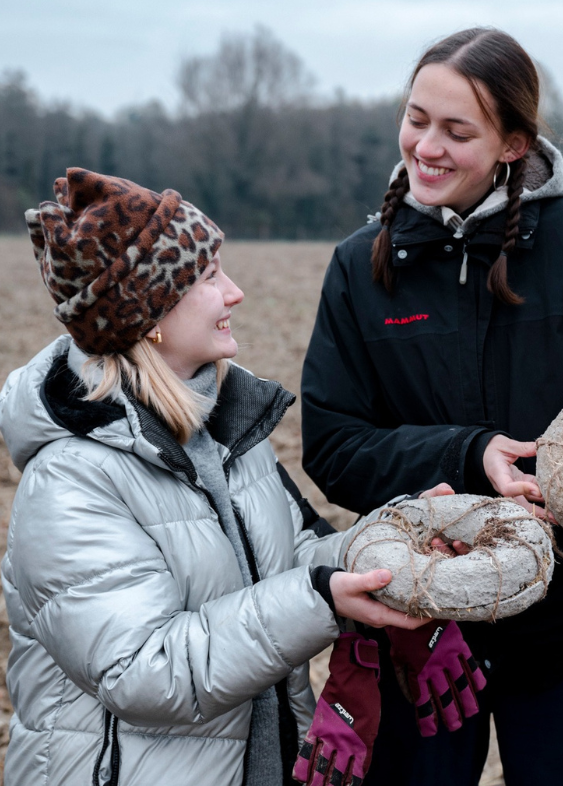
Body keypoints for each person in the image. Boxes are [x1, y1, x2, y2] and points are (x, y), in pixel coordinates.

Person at [301, 28, 563, 785]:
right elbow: (333, 445)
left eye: (456, 131)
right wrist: (470, 454)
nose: (425, 145)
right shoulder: (361, 268)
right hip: (418, 623)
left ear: (511, 143)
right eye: (416, 118)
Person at [0, 168, 431, 786]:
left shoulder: (223, 428)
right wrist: (320, 598)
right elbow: (145, 672)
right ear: (145, 312)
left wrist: (404, 534)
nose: (235, 293)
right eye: (208, 277)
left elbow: (294, 562)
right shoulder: (71, 479)